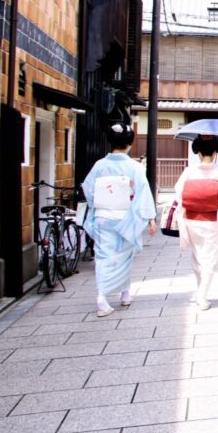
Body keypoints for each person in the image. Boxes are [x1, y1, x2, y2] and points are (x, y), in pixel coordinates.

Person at [81, 122, 157, 317]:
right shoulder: (135, 167)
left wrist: (100, 202)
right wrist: (150, 217)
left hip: (104, 217)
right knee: (125, 256)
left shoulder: (99, 165)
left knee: (103, 256)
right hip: (126, 218)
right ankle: (123, 294)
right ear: (129, 144)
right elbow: (143, 192)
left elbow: (88, 189)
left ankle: (104, 297)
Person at [173, 135, 218, 310]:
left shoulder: (189, 171)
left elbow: (178, 193)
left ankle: (201, 289)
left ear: (198, 152)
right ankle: (202, 296)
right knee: (210, 257)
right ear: (215, 152)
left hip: (191, 218)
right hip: (212, 219)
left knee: (197, 254)